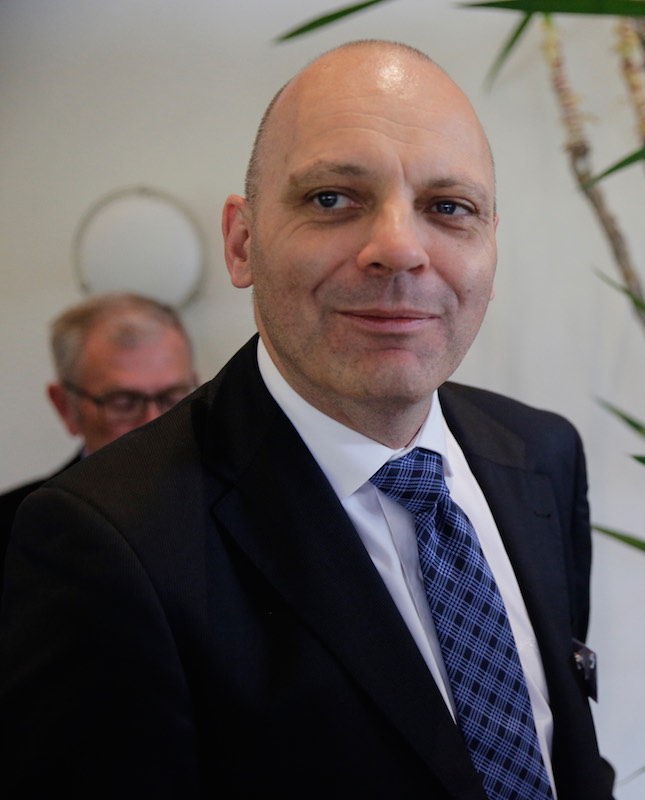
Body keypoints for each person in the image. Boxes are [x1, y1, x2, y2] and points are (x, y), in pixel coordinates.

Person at [0, 40, 614, 798]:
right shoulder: (108, 542)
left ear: (491, 245)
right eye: (332, 199)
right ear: (242, 242)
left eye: (448, 208)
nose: (399, 249)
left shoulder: (542, 456)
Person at [0, 292, 196, 596]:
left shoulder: (244, 507)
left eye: (173, 398)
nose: (155, 423)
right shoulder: (13, 528)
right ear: (65, 407)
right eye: (124, 402)